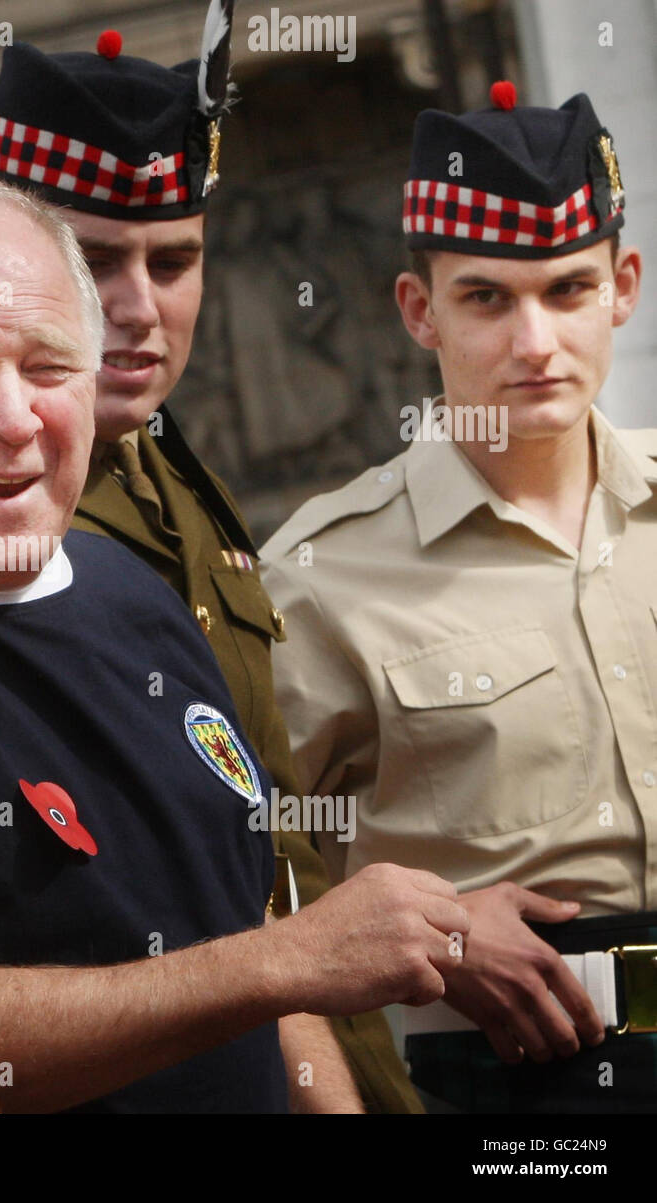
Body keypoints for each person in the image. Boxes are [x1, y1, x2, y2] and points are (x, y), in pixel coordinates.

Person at [0, 9, 417, 1112]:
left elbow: (259, 923)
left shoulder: (133, 591)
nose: (15, 418)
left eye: (48, 365)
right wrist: (274, 967)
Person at [261, 82, 654, 1112]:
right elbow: (242, 885)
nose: (535, 344)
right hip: (516, 1082)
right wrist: (428, 930)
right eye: (487, 298)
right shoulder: (319, 577)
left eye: (566, 290)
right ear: (417, 309)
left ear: (622, 285)